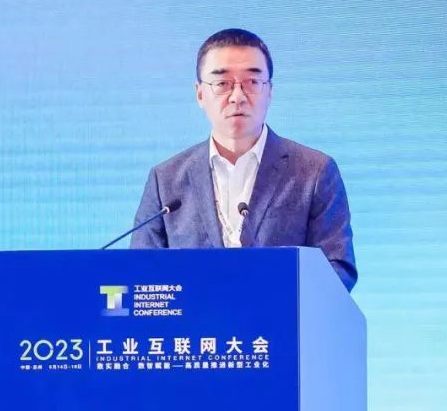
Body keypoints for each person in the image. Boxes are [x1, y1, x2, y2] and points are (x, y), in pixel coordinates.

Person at [130, 28, 357, 291]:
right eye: (222, 83)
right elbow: (138, 273)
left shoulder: (314, 171)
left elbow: (337, 268)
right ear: (200, 93)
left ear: (269, 91)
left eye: (252, 82)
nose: (237, 97)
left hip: (279, 316)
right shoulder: (166, 180)